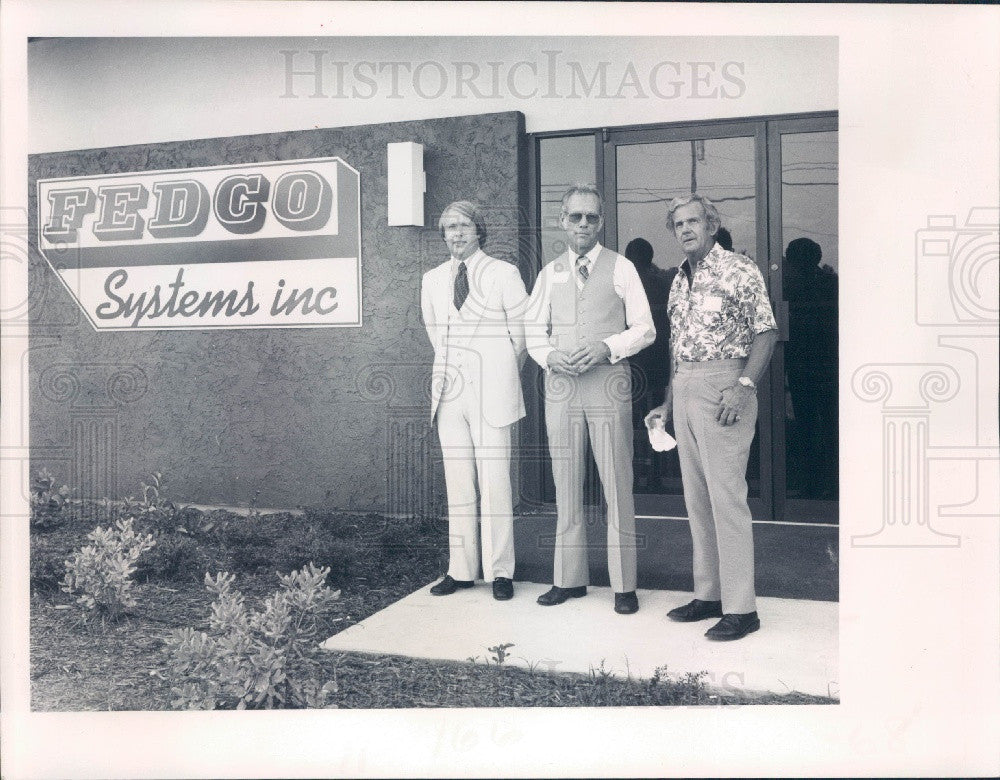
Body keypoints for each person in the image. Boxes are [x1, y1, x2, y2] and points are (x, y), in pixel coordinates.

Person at [645, 194, 777, 640]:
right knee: (696, 500)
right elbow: (675, 348)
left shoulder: (739, 270)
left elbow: (766, 331)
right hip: (684, 388)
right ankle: (709, 595)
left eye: (693, 221)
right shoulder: (678, 281)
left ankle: (743, 609)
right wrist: (666, 402)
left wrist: (744, 387)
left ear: (712, 225)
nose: (685, 230)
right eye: (678, 224)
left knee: (727, 500)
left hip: (725, 388)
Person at [527, 185, 655, 615]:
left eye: (591, 218)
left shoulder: (621, 268)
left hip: (607, 384)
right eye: (575, 217)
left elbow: (645, 327)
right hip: (561, 388)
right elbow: (531, 332)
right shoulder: (549, 273)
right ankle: (569, 579)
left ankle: (624, 584)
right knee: (566, 482)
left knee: (616, 481)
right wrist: (550, 355)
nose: (583, 224)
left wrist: (606, 347)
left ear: (602, 222)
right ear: (562, 220)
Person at [421, 200, 528, 601]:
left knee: (496, 481)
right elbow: (435, 332)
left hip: (492, 392)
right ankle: (461, 569)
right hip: (450, 394)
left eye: (464, 225)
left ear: (479, 230)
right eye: (450, 227)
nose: (457, 233)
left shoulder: (504, 273)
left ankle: (501, 571)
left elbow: (521, 335)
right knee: (458, 483)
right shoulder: (431, 279)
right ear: (443, 234)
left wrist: (495, 372)